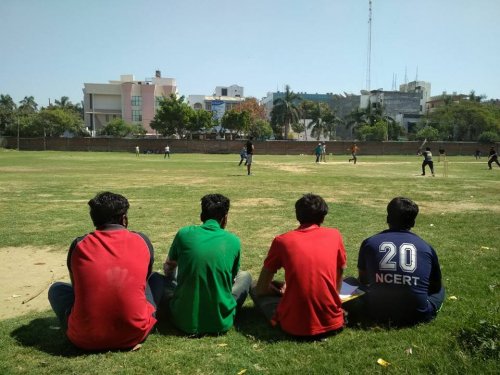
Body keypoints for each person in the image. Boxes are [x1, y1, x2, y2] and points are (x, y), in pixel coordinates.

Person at [48, 192, 162, 351]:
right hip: (135, 333)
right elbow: (145, 278)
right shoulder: (142, 240)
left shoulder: (79, 245)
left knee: (56, 289)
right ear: (124, 218)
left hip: (84, 338)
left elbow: (76, 288)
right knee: (153, 280)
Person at [251, 193, 347, 339]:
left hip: (294, 326)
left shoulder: (282, 241)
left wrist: (279, 292)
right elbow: (339, 270)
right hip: (332, 320)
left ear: (298, 215)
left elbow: (261, 288)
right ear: (323, 216)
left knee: (253, 287)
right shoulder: (335, 235)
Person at [162, 194, 252, 335]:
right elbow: (232, 278)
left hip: (182, 320)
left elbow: (169, 267)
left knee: (165, 275)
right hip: (220, 322)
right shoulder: (233, 241)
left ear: (201, 215)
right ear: (225, 218)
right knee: (245, 276)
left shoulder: (184, 233)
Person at [352, 197, 445, 326]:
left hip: (375, 310)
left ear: (388, 218)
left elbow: (364, 280)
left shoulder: (370, 243)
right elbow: (435, 286)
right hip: (417, 314)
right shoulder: (426, 247)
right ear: (413, 222)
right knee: (440, 288)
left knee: (350, 282)